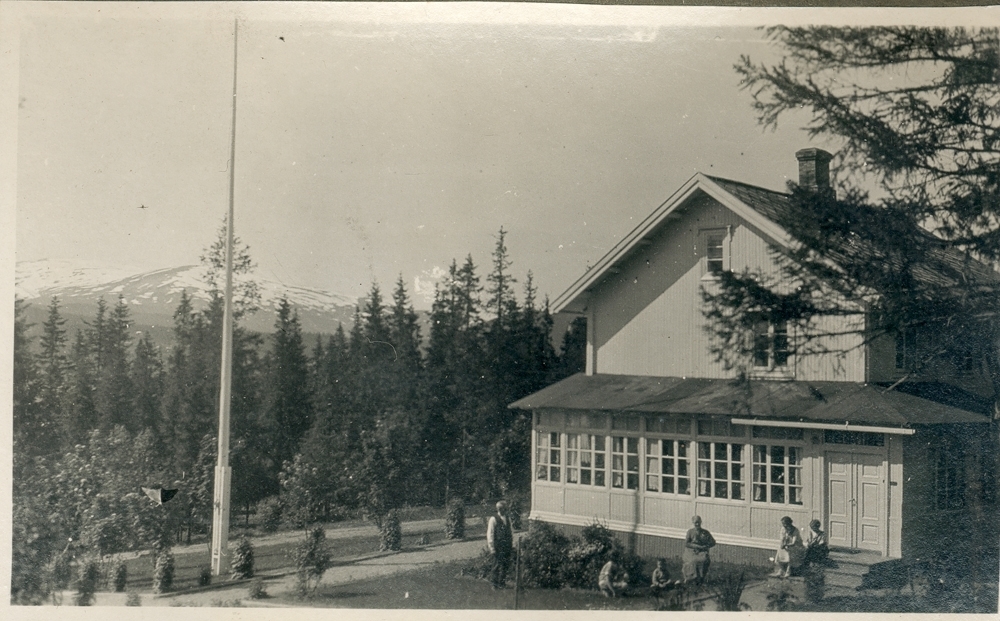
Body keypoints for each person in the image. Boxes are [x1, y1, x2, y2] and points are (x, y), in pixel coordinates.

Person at [486, 501, 514, 589]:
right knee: (496, 565)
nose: (505, 510)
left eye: (505, 508)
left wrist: (511, 544)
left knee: (505, 565)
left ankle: (502, 582)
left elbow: (511, 531)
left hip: (507, 546)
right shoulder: (493, 519)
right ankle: (494, 584)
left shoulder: (508, 518)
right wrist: (492, 548)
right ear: (498, 509)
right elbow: (490, 534)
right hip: (498, 546)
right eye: (503, 508)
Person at [682, 515, 716, 585]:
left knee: (704, 560)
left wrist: (706, 546)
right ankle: (690, 578)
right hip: (691, 551)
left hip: (701, 551)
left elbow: (713, 542)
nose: (697, 524)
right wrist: (697, 546)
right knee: (692, 560)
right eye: (695, 522)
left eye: (698, 522)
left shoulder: (705, 532)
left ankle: (701, 578)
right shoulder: (690, 532)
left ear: (701, 522)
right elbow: (687, 543)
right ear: (693, 523)